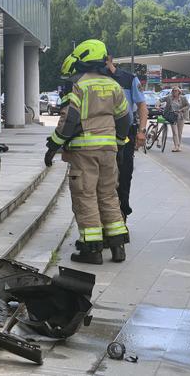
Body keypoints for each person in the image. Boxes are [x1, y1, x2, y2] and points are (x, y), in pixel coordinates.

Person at [44, 40, 131, 264]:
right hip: (108, 149)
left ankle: (92, 250)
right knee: (109, 195)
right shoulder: (114, 85)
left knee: (86, 196)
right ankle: (117, 246)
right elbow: (124, 119)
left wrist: (53, 145)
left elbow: (69, 121)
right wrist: (119, 143)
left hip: (84, 151)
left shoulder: (79, 85)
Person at [106, 56, 147, 220]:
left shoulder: (128, 79)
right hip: (103, 133)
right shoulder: (96, 79)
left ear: (110, 60)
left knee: (124, 174)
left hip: (125, 134)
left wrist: (142, 131)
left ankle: (122, 212)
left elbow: (142, 106)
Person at [163, 86, 190, 152]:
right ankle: (175, 146)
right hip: (172, 116)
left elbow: (188, 106)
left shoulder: (183, 98)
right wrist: (157, 105)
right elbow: (161, 100)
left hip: (181, 116)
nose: (174, 92)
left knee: (179, 132)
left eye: (176, 91)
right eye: (173, 91)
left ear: (179, 92)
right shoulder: (169, 97)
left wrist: (181, 110)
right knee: (175, 132)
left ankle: (178, 146)